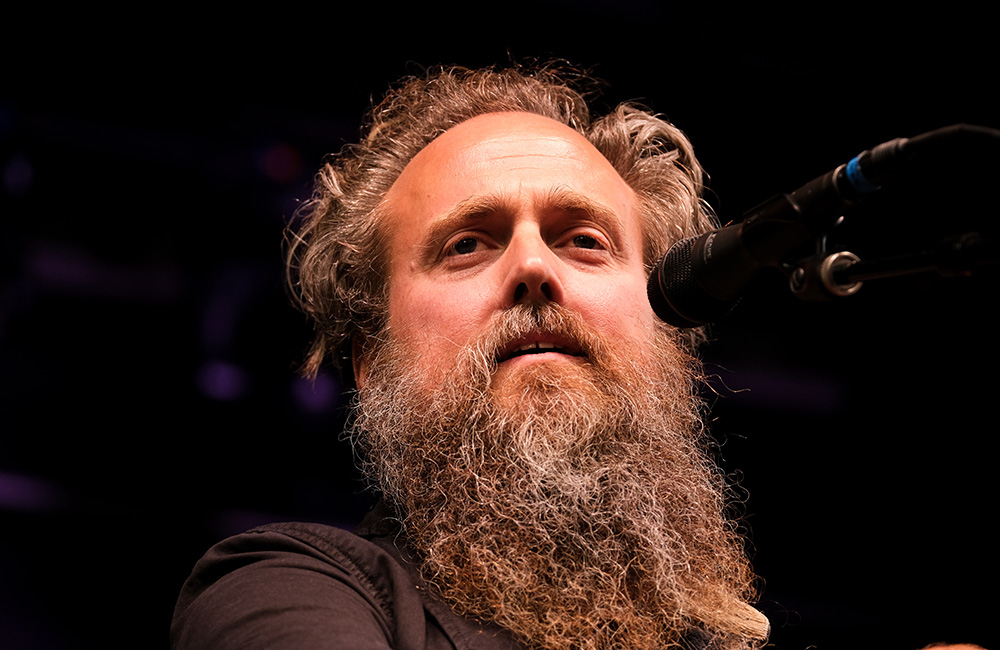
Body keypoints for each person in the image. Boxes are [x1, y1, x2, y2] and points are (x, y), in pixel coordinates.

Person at [170, 62, 772, 650]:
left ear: (669, 326)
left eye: (585, 241)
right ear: (372, 359)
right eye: (466, 245)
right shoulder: (293, 589)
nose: (534, 267)